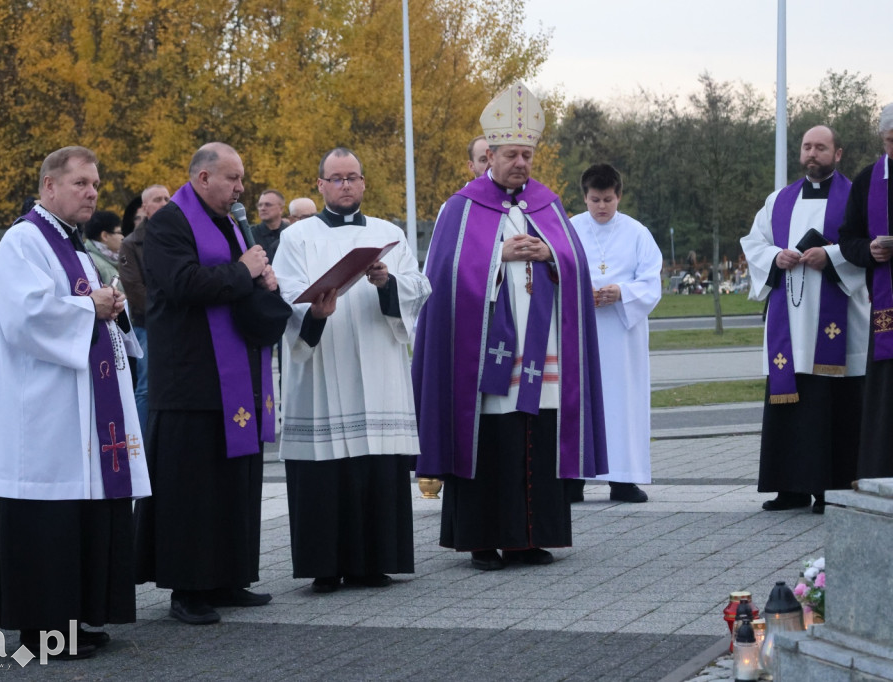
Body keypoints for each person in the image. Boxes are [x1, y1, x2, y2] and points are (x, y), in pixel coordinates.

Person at [0, 146, 150, 659]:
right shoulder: (23, 240)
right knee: (47, 519)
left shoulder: (73, 244)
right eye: (80, 183)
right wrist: (91, 305)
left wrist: (111, 306)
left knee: (79, 514)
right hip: (40, 412)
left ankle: (77, 617)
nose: (92, 193)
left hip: (78, 409)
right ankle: (44, 631)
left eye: (95, 185)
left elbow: (87, 311)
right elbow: (26, 316)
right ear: (49, 186)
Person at [413, 81, 608, 571]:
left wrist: (551, 254)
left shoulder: (548, 204)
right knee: (490, 440)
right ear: (490, 157)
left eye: (527, 155)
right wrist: (495, 256)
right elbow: (443, 275)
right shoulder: (462, 206)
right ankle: (481, 540)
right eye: (511, 155)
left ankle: (530, 539)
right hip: (482, 353)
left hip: (542, 348)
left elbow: (576, 265)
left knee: (535, 436)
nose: (520, 163)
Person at [134, 142, 290, 625]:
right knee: (192, 491)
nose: (241, 188)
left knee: (231, 485)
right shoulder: (168, 224)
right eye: (232, 178)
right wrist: (244, 271)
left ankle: (227, 577)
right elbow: (183, 284)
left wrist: (263, 282)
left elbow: (238, 282)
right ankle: (188, 588)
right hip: (190, 380)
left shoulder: (233, 223)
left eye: (241, 179)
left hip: (236, 378)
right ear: (203, 178)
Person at [272, 147, 431, 593]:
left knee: (375, 462)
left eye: (352, 177)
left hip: (379, 364)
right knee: (326, 468)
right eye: (336, 178)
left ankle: (375, 563)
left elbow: (419, 286)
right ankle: (325, 566)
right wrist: (314, 312)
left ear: (363, 183)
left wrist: (388, 284)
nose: (345, 185)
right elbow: (284, 294)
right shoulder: (297, 237)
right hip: (322, 364)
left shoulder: (388, 233)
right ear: (320, 185)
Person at [742, 126, 866, 513]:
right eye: (807, 147)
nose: (812, 154)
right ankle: (791, 488)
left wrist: (831, 256)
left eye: (821, 148)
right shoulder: (779, 200)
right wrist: (775, 257)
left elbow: (866, 246)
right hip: (790, 326)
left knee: (835, 409)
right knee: (792, 406)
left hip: (839, 325)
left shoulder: (855, 197)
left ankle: (831, 491)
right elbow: (754, 243)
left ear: (838, 153)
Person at [570, 164, 662, 503]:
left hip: (623, 337)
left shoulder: (638, 233)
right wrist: (583, 293)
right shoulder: (570, 229)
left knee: (624, 404)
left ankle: (623, 479)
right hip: (581, 332)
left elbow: (651, 281)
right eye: (595, 200)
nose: (601, 207)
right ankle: (573, 479)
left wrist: (621, 292)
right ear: (584, 197)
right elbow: (555, 272)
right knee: (579, 401)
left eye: (608, 199)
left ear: (619, 196)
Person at [838, 102, 893, 480]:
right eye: (891, 140)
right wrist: (869, 251)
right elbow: (848, 239)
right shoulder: (868, 181)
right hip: (888, 310)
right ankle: (882, 473)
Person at [119, 184, 170, 438]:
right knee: (147, 387)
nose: (164, 203)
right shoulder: (131, 244)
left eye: (167, 199)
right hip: (148, 324)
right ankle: (142, 442)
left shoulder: (179, 236)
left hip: (177, 322)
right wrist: (165, 313)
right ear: (144, 207)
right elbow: (134, 289)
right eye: (157, 199)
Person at [84, 210, 124, 290]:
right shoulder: (94, 263)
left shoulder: (108, 260)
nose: (123, 237)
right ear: (105, 236)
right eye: (119, 232)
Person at [251, 189, 289, 263]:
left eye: (268, 205)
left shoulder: (290, 233)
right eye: (260, 205)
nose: (262, 208)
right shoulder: (250, 235)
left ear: (281, 209)